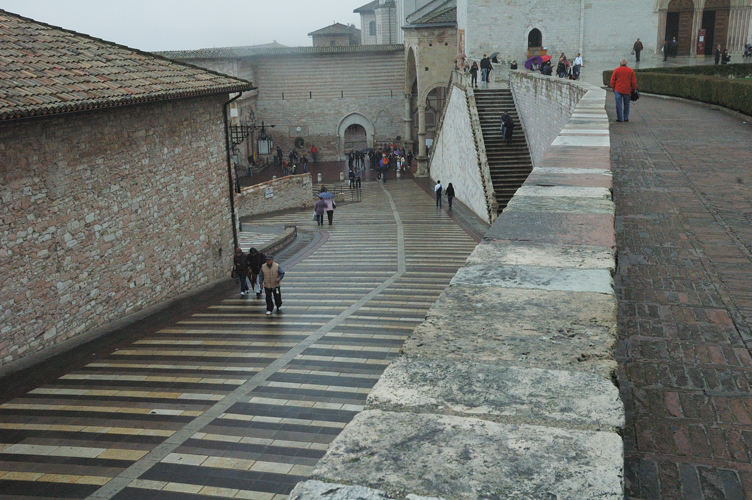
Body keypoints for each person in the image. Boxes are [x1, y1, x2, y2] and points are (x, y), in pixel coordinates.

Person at [610, 58, 637, 123]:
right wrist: (634, 89)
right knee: (627, 104)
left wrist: (613, 87)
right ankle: (626, 118)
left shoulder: (616, 70)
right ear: (626, 63)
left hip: (618, 89)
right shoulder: (630, 70)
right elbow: (633, 82)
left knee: (618, 104)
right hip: (627, 90)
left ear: (620, 63)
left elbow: (612, 81)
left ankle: (620, 118)